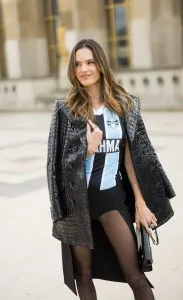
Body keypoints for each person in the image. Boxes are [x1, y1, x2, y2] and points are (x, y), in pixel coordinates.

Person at [46, 39, 175, 300]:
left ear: (101, 65)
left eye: (90, 62)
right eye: (78, 64)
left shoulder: (124, 105)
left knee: (135, 275)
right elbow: (55, 166)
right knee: (82, 273)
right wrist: (88, 149)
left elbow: (133, 157)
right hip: (75, 205)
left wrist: (140, 201)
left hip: (110, 199)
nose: (84, 69)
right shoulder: (65, 109)